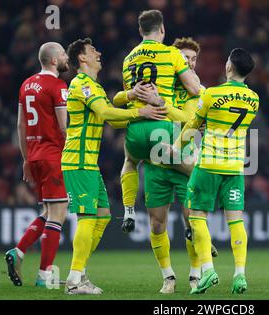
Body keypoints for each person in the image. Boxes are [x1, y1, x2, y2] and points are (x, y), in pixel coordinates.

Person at [62, 38, 166, 295]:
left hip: (88, 163)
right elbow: (108, 114)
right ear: (82, 59)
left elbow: (114, 120)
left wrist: (138, 106)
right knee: (87, 217)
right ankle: (75, 280)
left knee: (104, 215)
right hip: (77, 161)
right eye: (92, 50)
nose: (98, 52)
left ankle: (80, 272)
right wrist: (138, 114)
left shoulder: (94, 86)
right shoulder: (81, 85)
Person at [171, 48, 258, 294]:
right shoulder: (254, 99)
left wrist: (176, 148)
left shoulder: (211, 94)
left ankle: (208, 271)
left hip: (208, 164)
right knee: (236, 221)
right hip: (235, 168)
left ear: (229, 67)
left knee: (197, 216)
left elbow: (193, 124)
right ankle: (240, 275)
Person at [140, 37, 217, 293]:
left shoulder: (199, 91)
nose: (190, 63)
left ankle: (195, 275)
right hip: (157, 161)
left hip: (184, 161)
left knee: (192, 220)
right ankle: (168, 277)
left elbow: (189, 119)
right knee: (157, 223)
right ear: (173, 59)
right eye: (185, 58)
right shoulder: (159, 83)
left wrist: (161, 103)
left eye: (194, 59)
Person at [113, 9, 200, 235]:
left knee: (130, 162)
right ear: (162, 29)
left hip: (135, 130)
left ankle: (129, 210)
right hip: (162, 127)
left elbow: (126, 96)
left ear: (140, 30)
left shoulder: (128, 58)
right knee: (193, 170)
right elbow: (193, 88)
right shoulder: (171, 54)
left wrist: (132, 96)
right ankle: (195, 223)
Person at [5, 42, 69, 288]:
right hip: (53, 155)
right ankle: (44, 275)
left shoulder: (26, 85)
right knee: (58, 214)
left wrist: (25, 159)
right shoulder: (58, 85)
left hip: (34, 155)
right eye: (63, 54)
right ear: (53, 61)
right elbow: (63, 127)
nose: (66, 58)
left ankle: (18, 253)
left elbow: (21, 125)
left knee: (47, 212)